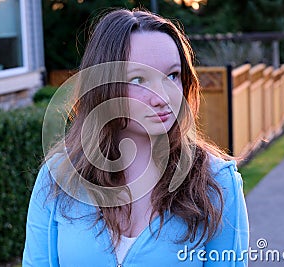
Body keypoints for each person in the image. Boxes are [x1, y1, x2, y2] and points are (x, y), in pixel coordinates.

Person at [23, 8, 249, 267]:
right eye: (139, 79)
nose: (162, 96)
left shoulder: (218, 182)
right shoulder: (58, 176)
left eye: (172, 75)